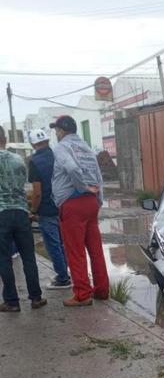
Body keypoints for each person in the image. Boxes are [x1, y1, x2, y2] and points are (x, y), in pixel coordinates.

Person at [50, 115, 109, 307]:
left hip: (72, 203)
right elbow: (98, 177)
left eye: (57, 130)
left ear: (62, 131)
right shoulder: (86, 147)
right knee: (95, 249)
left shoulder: (61, 147)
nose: (56, 133)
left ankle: (82, 294)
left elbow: (72, 168)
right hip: (91, 203)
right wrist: (97, 200)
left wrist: (82, 187)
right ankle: (101, 290)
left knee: (75, 252)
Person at [0, 125, 46, 312]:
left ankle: (12, 301)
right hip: (20, 212)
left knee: (4, 259)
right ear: (4, 138)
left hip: (1, 214)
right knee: (28, 257)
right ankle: (36, 298)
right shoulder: (18, 159)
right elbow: (22, 186)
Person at [28, 128, 70, 289]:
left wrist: (33, 210)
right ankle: (65, 272)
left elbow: (37, 192)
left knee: (53, 244)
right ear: (47, 141)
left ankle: (63, 278)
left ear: (33, 144)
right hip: (62, 205)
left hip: (46, 209)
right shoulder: (57, 156)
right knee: (62, 243)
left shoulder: (34, 162)